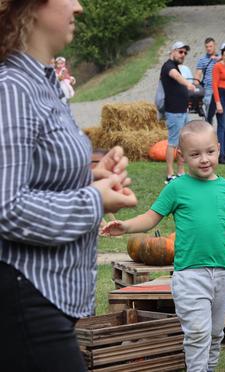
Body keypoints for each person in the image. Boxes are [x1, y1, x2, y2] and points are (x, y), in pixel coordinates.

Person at [0, 1, 138, 370]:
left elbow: (33, 172)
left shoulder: (41, 86)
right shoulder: (12, 89)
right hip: (25, 296)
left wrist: (90, 174)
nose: (78, 7)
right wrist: (94, 199)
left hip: (45, 300)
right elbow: (7, 208)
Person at [102, 121, 225, 372]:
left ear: (218, 149)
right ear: (181, 156)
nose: (204, 159)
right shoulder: (176, 188)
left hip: (224, 275)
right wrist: (126, 226)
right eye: (195, 154)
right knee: (197, 333)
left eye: (209, 152)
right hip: (190, 275)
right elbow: (151, 218)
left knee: (216, 334)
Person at [161, 41, 196, 183]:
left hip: (182, 110)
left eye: (185, 53)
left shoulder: (176, 66)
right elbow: (175, 76)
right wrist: (188, 84)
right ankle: (170, 174)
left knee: (182, 142)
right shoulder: (168, 66)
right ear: (173, 51)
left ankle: (181, 171)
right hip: (174, 112)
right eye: (180, 52)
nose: (183, 55)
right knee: (173, 142)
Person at [195, 37, 220, 123]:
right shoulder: (202, 60)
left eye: (210, 46)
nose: (209, 48)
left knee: (222, 115)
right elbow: (198, 75)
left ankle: (223, 136)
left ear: (215, 46)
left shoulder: (222, 57)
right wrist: (196, 88)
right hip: (208, 89)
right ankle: (208, 132)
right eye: (207, 47)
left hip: (221, 89)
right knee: (209, 115)